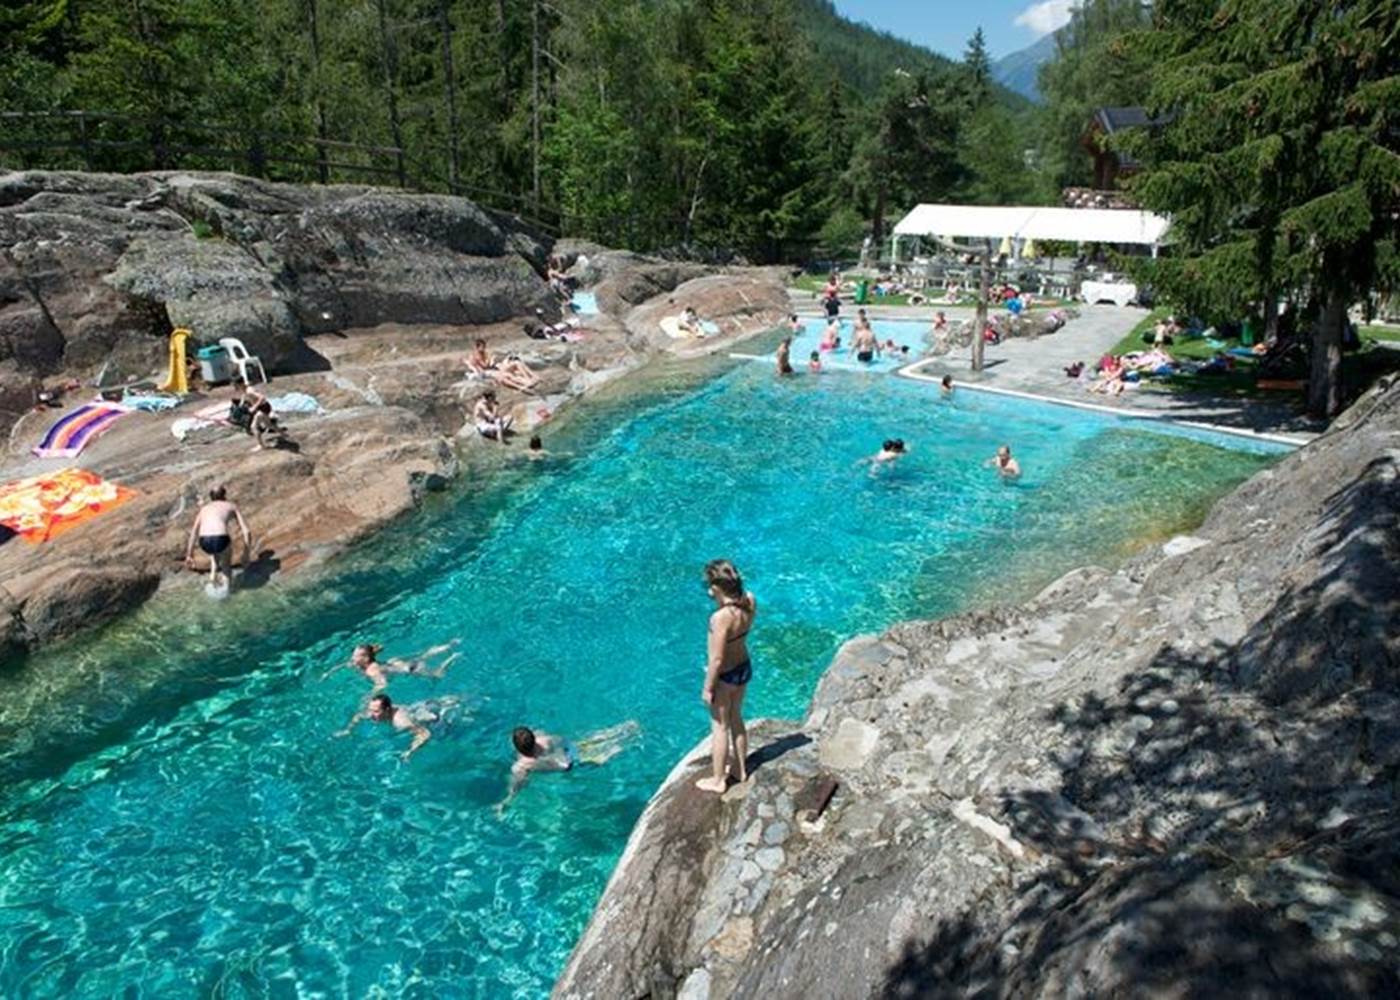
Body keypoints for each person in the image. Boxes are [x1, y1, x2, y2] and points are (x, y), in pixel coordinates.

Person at [697, 559, 755, 794]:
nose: (708, 591)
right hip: (744, 667)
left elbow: (717, 660)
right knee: (736, 718)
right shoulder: (749, 601)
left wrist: (708, 688)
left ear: (718, 588)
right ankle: (740, 769)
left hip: (726, 676)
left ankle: (718, 779)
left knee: (719, 726)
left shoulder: (719, 618)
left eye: (709, 586)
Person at [498, 721, 640, 812]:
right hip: (571, 750)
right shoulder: (544, 738)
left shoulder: (522, 765)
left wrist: (506, 801)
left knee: (603, 756)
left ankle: (629, 742)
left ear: (517, 747)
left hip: (570, 767)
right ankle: (626, 729)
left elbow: (518, 785)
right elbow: (561, 739)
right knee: (591, 742)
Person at [183, 486, 252, 593]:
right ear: (224, 496)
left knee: (214, 553)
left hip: (204, 542)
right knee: (226, 565)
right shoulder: (231, 506)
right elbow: (246, 531)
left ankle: (212, 580)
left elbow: (193, 533)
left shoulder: (204, 509)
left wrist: (189, 555)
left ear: (211, 497)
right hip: (221, 539)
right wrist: (246, 554)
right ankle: (226, 593)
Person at [335, 693, 432, 762]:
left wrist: (410, 752)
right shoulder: (372, 712)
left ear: (387, 710)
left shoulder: (401, 723)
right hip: (414, 709)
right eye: (371, 710)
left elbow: (425, 734)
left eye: (376, 711)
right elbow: (359, 715)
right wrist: (348, 730)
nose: (371, 714)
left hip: (429, 716)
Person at [326, 640, 460, 690]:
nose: (352, 658)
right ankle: (449, 645)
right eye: (353, 655)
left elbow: (382, 684)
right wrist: (328, 673)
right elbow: (343, 664)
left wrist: (370, 696)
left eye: (356, 656)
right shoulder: (357, 663)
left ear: (366, 659)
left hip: (410, 669)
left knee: (437, 675)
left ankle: (452, 657)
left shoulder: (372, 670)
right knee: (421, 656)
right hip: (394, 663)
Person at [467, 339, 540, 392]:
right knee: (508, 375)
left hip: (494, 368)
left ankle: (531, 378)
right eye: (482, 347)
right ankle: (525, 383)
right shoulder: (475, 356)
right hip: (488, 372)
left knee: (517, 363)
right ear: (477, 347)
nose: (484, 348)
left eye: (484, 347)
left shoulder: (484, 353)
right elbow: (485, 366)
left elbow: (489, 364)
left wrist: (491, 359)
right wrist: (491, 359)